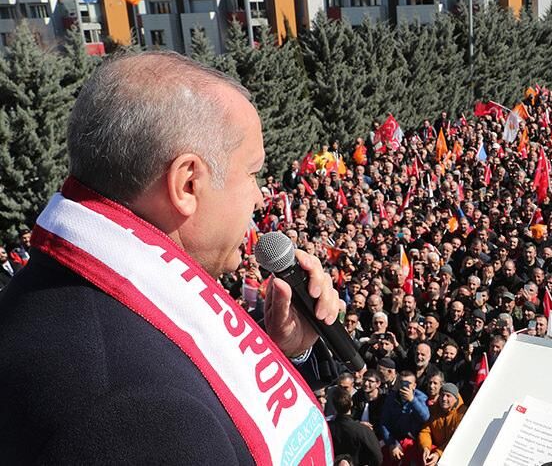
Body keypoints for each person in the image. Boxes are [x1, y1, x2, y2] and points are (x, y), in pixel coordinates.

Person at [0, 52, 345, 463]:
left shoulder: (54, 289)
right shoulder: (142, 418)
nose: (260, 196)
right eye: (252, 173)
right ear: (187, 183)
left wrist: (282, 354)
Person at [377, 370, 430, 465]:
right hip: (395, 438)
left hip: (414, 440)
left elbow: (425, 417)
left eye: (407, 383)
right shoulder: (391, 398)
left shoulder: (421, 397)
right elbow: (384, 422)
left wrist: (412, 400)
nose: (404, 386)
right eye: (401, 383)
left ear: (414, 386)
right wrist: (391, 444)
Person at [329, 387, 383, 466]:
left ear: (333, 406)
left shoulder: (328, 429)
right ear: (351, 403)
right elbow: (377, 456)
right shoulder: (362, 429)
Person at [418, 383, 467, 466]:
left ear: (456, 399)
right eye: (442, 395)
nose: (444, 398)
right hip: (437, 450)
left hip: (455, 454)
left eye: (448, 396)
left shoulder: (462, 413)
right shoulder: (434, 410)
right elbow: (425, 431)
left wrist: (438, 453)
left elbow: (457, 438)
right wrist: (425, 447)